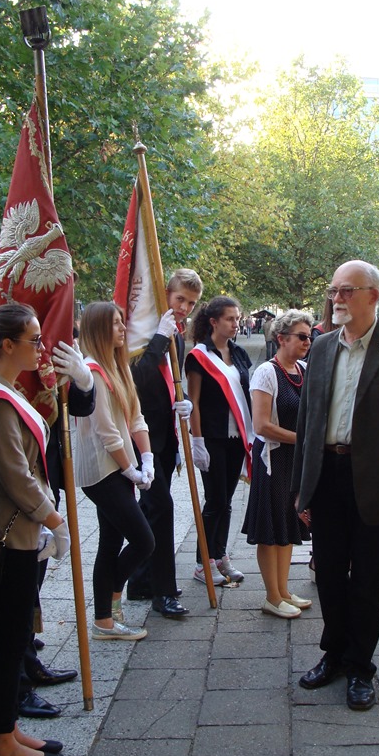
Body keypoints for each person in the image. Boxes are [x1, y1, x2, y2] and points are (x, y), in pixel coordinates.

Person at [292, 260, 379, 711]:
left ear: (372, 295)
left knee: (367, 580)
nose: (337, 299)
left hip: (377, 483)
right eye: (334, 290)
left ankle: (360, 667)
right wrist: (302, 488)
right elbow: (308, 422)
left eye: (347, 290)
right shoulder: (321, 347)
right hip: (328, 475)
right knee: (329, 574)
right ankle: (333, 654)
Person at [0, 304, 70, 756]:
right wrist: (54, 519)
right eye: (34, 340)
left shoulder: (5, 391)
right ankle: (1, 747)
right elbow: (15, 474)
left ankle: (9, 729)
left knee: (17, 636)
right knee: (8, 645)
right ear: (7, 346)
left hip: (22, 532)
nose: (41, 348)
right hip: (9, 535)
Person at [74, 302, 155, 640]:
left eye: (122, 322)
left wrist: (147, 457)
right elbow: (106, 432)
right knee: (144, 540)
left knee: (110, 542)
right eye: (115, 323)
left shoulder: (119, 366)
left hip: (119, 466)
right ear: (98, 329)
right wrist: (130, 469)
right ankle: (112, 595)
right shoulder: (91, 371)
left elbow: (135, 417)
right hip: (102, 469)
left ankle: (104, 621)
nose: (123, 328)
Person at [126, 268, 203, 618]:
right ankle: (163, 591)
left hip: (165, 435)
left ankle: (141, 580)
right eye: (180, 299)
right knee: (162, 509)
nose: (184, 307)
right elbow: (136, 379)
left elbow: (170, 379)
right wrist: (159, 337)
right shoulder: (144, 331)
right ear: (165, 294)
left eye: (191, 303)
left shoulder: (177, 335)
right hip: (140, 437)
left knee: (149, 509)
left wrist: (180, 401)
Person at [242, 310, 314, 618]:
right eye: (301, 336)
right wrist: (303, 440)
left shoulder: (305, 369)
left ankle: (283, 590)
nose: (307, 342)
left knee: (287, 523)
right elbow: (261, 426)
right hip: (272, 458)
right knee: (271, 528)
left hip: (294, 459)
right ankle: (271, 596)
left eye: (309, 337)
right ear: (281, 339)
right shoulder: (266, 372)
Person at [185, 296, 253, 585]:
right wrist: (197, 441)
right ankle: (203, 562)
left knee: (226, 501)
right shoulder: (198, 357)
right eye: (230, 319)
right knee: (215, 500)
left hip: (237, 437)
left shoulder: (239, 353)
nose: (236, 324)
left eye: (237, 318)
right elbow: (194, 402)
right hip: (212, 437)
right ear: (213, 322)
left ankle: (220, 554)